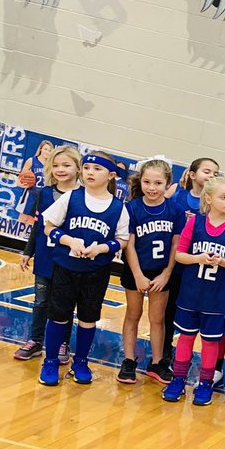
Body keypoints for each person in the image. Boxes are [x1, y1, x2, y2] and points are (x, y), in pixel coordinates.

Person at [37, 152, 131, 387]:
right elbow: (48, 226)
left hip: (96, 272)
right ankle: (50, 362)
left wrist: (101, 248)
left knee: (89, 318)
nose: (90, 172)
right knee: (58, 315)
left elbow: (122, 240)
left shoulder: (118, 207)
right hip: (66, 267)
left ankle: (81, 361)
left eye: (97, 169)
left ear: (111, 175)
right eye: (87, 168)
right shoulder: (71, 197)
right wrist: (69, 240)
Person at [161, 176, 225, 405]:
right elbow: (179, 255)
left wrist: (223, 262)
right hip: (191, 294)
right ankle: (178, 379)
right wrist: (197, 258)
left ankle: (205, 383)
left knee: (210, 342)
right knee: (185, 338)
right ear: (208, 198)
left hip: (218, 297)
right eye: (224, 197)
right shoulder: (195, 222)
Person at [119, 158, 183, 385]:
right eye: (147, 182)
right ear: (140, 181)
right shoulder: (132, 208)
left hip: (161, 273)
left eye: (158, 183)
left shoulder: (175, 210)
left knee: (157, 319)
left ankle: (157, 362)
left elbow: (176, 246)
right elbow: (130, 245)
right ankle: (128, 361)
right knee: (133, 315)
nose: (152, 187)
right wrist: (137, 274)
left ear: (168, 183)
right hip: (136, 271)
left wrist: (166, 274)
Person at [14, 145, 79, 362]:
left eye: (66, 165)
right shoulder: (43, 193)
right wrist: (28, 251)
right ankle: (35, 341)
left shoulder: (81, 197)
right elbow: (37, 225)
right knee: (40, 301)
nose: (61, 169)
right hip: (44, 255)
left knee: (64, 303)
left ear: (78, 168)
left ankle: (62, 343)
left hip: (68, 260)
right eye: (56, 165)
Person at [162, 157, 220, 363]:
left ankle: (187, 355)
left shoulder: (215, 204)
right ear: (193, 174)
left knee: (191, 316)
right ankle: (165, 349)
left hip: (198, 269)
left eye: (215, 173)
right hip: (175, 263)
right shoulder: (178, 195)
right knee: (167, 311)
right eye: (207, 171)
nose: (211, 175)